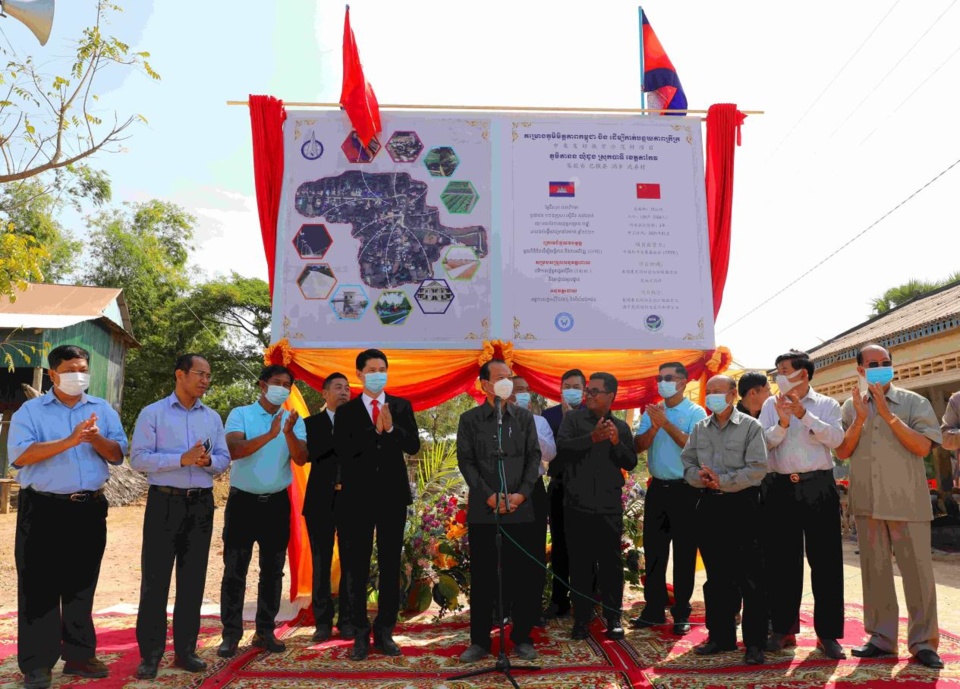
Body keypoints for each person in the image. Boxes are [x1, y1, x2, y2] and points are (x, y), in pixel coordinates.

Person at [8, 345, 128, 689]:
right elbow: (21, 455)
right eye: (71, 368)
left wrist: (95, 439)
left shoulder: (102, 409)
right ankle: (37, 664)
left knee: (81, 584)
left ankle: (79, 655)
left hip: (88, 508)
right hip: (43, 508)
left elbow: (118, 454)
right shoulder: (31, 411)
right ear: (53, 374)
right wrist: (70, 439)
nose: (80, 375)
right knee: (39, 586)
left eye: (83, 368)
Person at [836, 344, 944, 669]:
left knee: (918, 576)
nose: (881, 367)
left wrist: (888, 416)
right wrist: (859, 418)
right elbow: (843, 451)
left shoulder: (914, 402)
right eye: (873, 363)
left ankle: (923, 643)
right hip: (867, 502)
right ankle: (881, 639)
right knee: (875, 574)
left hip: (907, 500)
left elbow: (923, 446)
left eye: (886, 362)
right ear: (859, 369)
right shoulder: (850, 406)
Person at [130, 354, 231, 679]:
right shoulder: (153, 413)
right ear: (180, 374)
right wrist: (182, 459)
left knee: (193, 581)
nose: (205, 380)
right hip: (164, 503)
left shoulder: (213, 417)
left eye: (208, 375)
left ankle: (186, 650)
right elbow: (139, 459)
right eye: (199, 374)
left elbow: (223, 459)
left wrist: (207, 463)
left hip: (201, 505)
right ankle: (151, 655)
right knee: (155, 581)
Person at [333, 349, 420, 661]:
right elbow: (343, 450)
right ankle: (359, 632)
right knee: (355, 567)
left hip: (392, 498)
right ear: (359, 374)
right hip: (357, 499)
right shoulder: (347, 411)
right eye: (371, 369)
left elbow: (413, 444)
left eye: (382, 368)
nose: (378, 373)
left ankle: (385, 630)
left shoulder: (400, 405)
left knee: (389, 566)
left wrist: (393, 429)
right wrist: (376, 432)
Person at [216, 365, 308, 658]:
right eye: (276, 382)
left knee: (272, 572)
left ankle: (265, 631)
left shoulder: (295, 420)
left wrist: (289, 432)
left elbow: (302, 458)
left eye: (287, 384)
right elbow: (234, 450)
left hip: (277, 504)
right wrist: (270, 434)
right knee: (235, 571)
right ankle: (230, 635)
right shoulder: (240, 414)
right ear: (262, 385)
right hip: (243, 503)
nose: (281, 388)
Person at [759, 350, 845, 659]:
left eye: (785, 370)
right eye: (778, 370)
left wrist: (803, 416)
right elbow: (762, 443)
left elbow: (837, 439)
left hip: (819, 485)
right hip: (780, 486)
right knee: (782, 561)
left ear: (803, 374)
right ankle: (783, 629)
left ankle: (829, 635)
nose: (780, 376)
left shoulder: (826, 404)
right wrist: (782, 422)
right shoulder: (770, 405)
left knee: (826, 562)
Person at [456, 360, 542, 663]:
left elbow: (534, 457)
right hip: (484, 510)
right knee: (483, 578)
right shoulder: (469, 420)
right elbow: (466, 462)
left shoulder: (524, 418)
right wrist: (490, 496)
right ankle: (479, 641)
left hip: (520, 509)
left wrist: (520, 494)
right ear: (485, 385)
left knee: (523, 578)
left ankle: (521, 638)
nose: (506, 382)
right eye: (500, 378)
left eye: (509, 378)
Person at [681, 375, 768, 665]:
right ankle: (720, 637)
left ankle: (754, 644)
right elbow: (688, 463)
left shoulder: (750, 427)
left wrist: (724, 481)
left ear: (732, 395)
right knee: (717, 578)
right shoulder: (699, 428)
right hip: (709, 506)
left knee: (750, 578)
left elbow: (757, 469)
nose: (713, 397)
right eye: (709, 392)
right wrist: (700, 478)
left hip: (742, 506)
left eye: (718, 392)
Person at [556, 372, 638, 641]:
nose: (588, 396)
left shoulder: (620, 427)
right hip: (577, 506)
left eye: (594, 392)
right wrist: (591, 439)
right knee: (580, 564)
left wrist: (614, 442)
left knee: (611, 565)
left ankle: (613, 617)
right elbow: (562, 450)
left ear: (610, 396)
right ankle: (581, 619)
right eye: (587, 391)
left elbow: (630, 462)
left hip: (608, 508)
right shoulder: (573, 420)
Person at [630, 362, 706, 636]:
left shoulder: (695, 411)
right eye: (660, 378)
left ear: (683, 382)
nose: (662, 382)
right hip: (658, 488)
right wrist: (653, 425)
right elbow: (638, 446)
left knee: (684, 552)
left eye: (669, 378)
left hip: (686, 490)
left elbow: (693, 446)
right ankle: (653, 608)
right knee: (654, 551)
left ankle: (682, 612)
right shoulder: (653, 410)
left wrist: (667, 424)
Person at [303, 372, 354, 642]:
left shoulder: (361, 423)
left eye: (347, 388)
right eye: (338, 387)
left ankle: (346, 621)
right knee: (321, 563)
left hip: (351, 501)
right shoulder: (311, 424)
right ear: (324, 393)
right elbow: (313, 452)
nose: (344, 392)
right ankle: (322, 623)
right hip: (320, 502)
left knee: (350, 562)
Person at [509, 375, 557, 625]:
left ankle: (532, 609)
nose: (524, 394)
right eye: (518, 390)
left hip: (533, 490)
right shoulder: (498, 420)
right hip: (505, 490)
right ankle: (504, 608)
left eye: (527, 390)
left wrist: (527, 424)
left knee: (534, 551)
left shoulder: (540, 422)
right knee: (506, 551)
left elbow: (549, 453)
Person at [541, 368, 586, 618]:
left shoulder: (592, 413)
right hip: (558, 484)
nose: (572, 390)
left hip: (586, 488)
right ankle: (559, 600)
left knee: (583, 545)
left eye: (576, 386)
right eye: (567, 385)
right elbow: (551, 452)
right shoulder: (549, 415)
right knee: (559, 545)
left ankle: (585, 598)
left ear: (584, 388)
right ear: (560, 388)